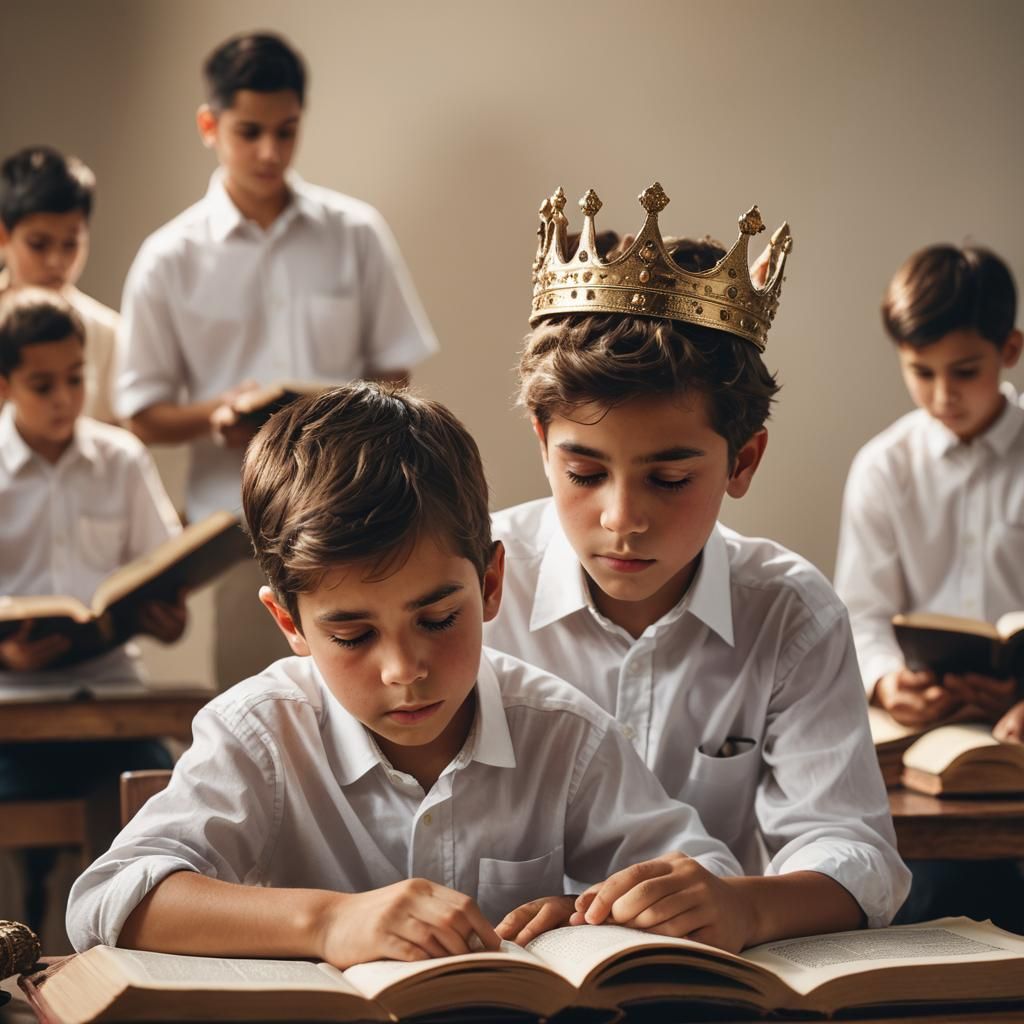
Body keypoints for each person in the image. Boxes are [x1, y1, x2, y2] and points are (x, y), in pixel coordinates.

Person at [65, 383, 809, 967]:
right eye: (352, 635)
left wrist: (594, 914)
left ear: (491, 583)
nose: (404, 671)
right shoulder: (260, 732)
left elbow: (702, 874)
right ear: (289, 623)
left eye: (439, 619)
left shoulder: (564, 734)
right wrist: (328, 922)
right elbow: (107, 898)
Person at [484, 183, 911, 933]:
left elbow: (855, 850)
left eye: (671, 479)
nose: (622, 519)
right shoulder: (467, 589)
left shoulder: (789, 613)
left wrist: (745, 904)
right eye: (583, 473)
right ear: (543, 447)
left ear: (743, 461)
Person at [115, 31, 438, 684]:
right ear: (210, 126)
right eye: (250, 132)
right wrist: (218, 415)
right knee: (252, 707)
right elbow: (140, 412)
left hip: (354, 505)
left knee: (371, 690)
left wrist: (327, 406)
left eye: (286, 131)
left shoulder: (355, 233)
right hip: (239, 526)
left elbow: (396, 371)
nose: (270, 151)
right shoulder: (168, 258)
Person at [835, 244, 1024, 929]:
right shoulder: (885, 467)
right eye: (921, 372)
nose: (943, 395)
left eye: (965, 372)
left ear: (1010, 350)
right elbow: (862, 612)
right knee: (928, 895)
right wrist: (888, 681)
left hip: (1016, 725)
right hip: (925, 735)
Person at [0, 289, 186, 930]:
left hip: (113, 700)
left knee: (173, 793)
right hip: (13, 710)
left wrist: (168, 617)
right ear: (5, 386)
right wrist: (7, 654)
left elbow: (162, 569)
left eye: (76, 379)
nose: (64, 398)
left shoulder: (121, 458)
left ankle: (136, 950)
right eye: (42, 384)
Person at [0, 146, 119, 423]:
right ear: (3, 235)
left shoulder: (107, 335)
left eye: (70, 244)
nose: (56, 261)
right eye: (38, 244)